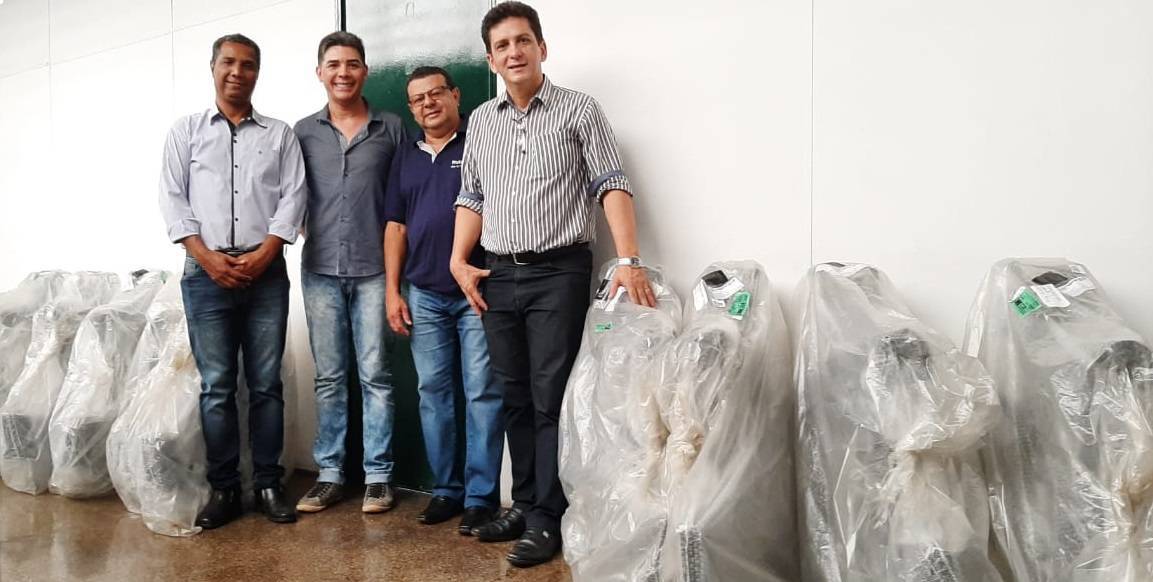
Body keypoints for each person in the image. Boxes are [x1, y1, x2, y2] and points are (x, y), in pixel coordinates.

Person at [450, 1, 655, 568]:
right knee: (513, 396)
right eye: (502, 45)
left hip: (558, 271)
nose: (513, 52)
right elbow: (472, 196)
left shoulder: (579, 110)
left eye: (523, 40)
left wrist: (629, 259)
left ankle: (548, 517)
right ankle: (525, 504)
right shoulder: (481, 122)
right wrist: (458, 259)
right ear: (490, 59)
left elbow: (611, 182)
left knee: (550, 398)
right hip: (497, 272)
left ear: (542, 47)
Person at [159, 33, 306, 528]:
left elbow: (293, 197)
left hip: (267, 275)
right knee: (218, 386)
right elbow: (173, 200)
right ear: (213, 67)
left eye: (247, 65)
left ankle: (267, 484)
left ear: (257, 72)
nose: (237, 72)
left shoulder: (280, 135)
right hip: (205, 275)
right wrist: (206, 258)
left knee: (266, 384)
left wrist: (267, 252)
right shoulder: (186, 132)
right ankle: (223, 490)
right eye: (228, 63)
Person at [383, 66, 503, 536]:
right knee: (433, 394)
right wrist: (393, 290)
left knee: (482, 394)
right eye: (418, 99)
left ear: (455, 95)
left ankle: (480, 498)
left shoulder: (481, 141)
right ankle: (447, 490)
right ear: (412, 109)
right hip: (424, 294)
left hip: (476, 291)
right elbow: (396, 226)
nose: (428, 104)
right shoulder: (405, 155)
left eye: (436, 94)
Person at [292, 31, 406, 514]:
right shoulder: (301, 132)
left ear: (365, 71)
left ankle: (378, 476)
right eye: (334, 64)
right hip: (319, 269)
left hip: (375, 270)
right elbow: (285, 192)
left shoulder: (392, 128)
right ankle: (331, 475)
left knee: (376, 375)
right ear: (320, 72)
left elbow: (405, 197)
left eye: (353, 64)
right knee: (330, 377)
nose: (343, 72)